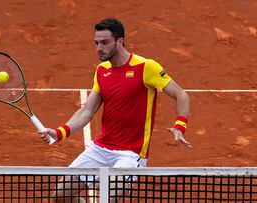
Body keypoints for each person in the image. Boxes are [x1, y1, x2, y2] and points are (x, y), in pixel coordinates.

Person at [39, 17, 191, 202]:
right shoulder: (102, 70)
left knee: (108, 199)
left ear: (120, 41)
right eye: (96, 43)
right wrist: (59, 132)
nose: (99, 48)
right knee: (61, 196)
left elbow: (181, 95)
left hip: (131, 153)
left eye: (104, 43)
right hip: (101, 148)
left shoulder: (146, 67)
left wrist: (180, 126)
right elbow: (87, 110)